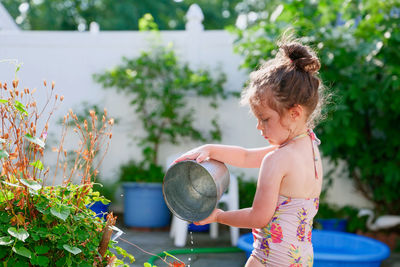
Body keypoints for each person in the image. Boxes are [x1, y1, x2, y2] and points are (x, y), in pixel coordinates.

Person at [173, 37, 325, 267]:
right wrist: (210, 149)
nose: (259, 127)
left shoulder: (277, 159)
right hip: (301, 260)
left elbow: (258, 217)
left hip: (269, 260)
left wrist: (218, 216)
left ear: (294, 113)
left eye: (265, 119)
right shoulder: (310, 146)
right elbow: (246, 156)